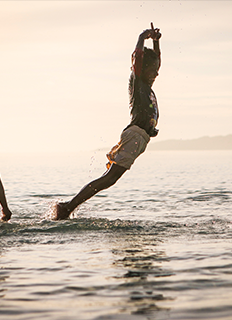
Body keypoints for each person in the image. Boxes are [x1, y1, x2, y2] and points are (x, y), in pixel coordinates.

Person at [54, 23, 162, 220]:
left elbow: (157, 62)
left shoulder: (147, 84)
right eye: (153, 69)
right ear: (142, 69)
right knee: (109, 178)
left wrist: (155, 43)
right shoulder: (138, 82)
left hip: (140, 138)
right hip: (135, 135)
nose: (157, 73)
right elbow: (138, 58)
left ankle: (68, 207)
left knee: (109, 179)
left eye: (157, 69)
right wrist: (142, 37)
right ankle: (67, 207)